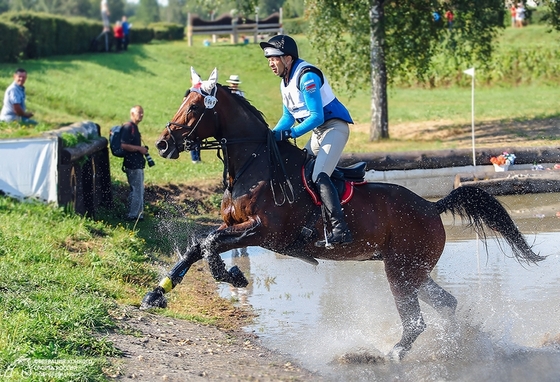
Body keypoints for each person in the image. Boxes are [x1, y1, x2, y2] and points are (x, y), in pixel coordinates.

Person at [260, 34, 354, 247]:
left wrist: (291, 134)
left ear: (288, 58)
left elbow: (317, 116)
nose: (270, 64)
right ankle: (305, 225)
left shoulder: (306, 76)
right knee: (298, 172)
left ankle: (340, 230)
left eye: (274, 59)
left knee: (319, 175)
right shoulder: (285, 82)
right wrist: (271, 136)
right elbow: (288, 117)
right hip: (318, 133)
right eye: (269, 60)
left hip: (333, 128)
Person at [120, 105, 148, 221]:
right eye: (139, 113)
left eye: (142, 113)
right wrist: (139, 149)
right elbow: (123, 145)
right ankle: (132, 215)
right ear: (132, 114)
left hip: (138, 163)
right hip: (132, 164)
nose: (141, 115)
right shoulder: (128, 128)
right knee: (136, 189)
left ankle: (139, 214)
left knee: (139, 189)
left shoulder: (134, 128)